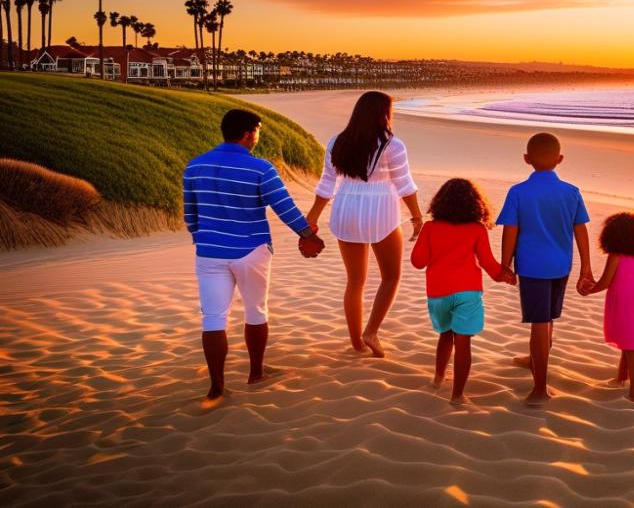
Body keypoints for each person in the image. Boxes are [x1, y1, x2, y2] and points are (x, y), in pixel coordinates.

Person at [183, 108, 325, 404]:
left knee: (213, 318)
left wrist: (204, 240)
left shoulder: (194, 167)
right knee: (255, 311)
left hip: (209, 253)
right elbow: (283, 206)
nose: (258, 136)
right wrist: (307, 236)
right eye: (258, 130)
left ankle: (216, 385)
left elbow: (190, 216)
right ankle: (256, 372)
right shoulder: (261, 168)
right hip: (251, 249)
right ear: (249, 133)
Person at [306, 91, 421, 358]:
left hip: (346, 209)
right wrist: (416, 216)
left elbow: (326, 184)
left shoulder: (338, 142)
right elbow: (404, 185)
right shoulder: (393, 145)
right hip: (381, 211)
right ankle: (371, 331)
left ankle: (357, 342)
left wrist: (312, 217)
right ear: (384, 113)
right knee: (391, 277)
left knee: (355, 281)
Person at [496, 132, 593, 405]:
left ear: (526, 159)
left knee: (539, 323)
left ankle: (540, 388)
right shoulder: (571, 192)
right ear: (560, 159)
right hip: (561, 264)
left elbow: (510, 232)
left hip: (532, 266)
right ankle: (534, 359)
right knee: (547, 319)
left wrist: (505, 265)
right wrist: (586, 266)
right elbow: (581, 231)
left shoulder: (518, 192)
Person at [410, 179, 515, 405]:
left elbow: (418, 262)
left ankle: (438, 378)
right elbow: (488, 263)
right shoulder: (476, 230)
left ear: (440, 202)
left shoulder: (430, 228)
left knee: (445, 335)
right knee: (463, 342)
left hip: (438, 293)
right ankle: (457, 395)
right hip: (468, 292)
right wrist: (504, 275)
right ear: (475, 205)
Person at [579, 212, 634, 402]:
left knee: (632, 347)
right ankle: (621, 378)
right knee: (629, 342)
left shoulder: (616, 255)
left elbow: (605, 282)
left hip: (625, 302)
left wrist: (588, 290)